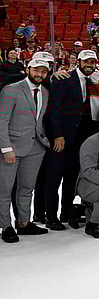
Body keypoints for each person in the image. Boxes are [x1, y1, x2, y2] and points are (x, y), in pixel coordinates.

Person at [44, 49, 99, 230]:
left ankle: (66, 212)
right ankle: (50, 217)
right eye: (86, 61)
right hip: (61, 139)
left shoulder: (93, 82)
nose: (89, 65)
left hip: (79, 141)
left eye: (92, 62)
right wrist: (57, 135)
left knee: (71, 178)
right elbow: (54, 109)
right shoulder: (64, 79)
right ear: (79, 62)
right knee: (53, 179)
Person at [0, 59, 50, 243]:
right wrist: (6, 148)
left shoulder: (44, 91)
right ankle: (6, 226)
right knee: (4, 189)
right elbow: (2, 121)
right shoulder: (11, 89)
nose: (39, 74)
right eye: (36, 70)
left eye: (44, 71)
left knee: (27, 187)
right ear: (28, 69)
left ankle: (24, 222)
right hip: (11, 148)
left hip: (35, 147)